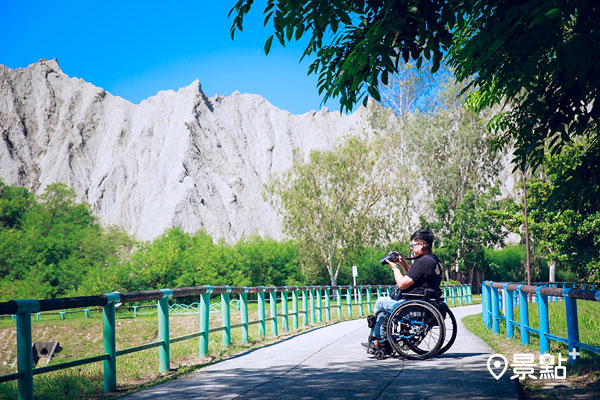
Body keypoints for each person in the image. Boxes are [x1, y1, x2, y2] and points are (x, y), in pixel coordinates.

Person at [364, 229, 443, 345]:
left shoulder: (422, 262)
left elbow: (402, 284)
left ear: (421, 245)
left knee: (381, 302)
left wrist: (394, 267)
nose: (412, 248)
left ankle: (381, 341)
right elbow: (414, 276)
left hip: (413, 305)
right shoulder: (433, 260)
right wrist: (402, 263)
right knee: (385, 305)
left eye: (412, 245)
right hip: (424, 302)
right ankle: (382, 338)